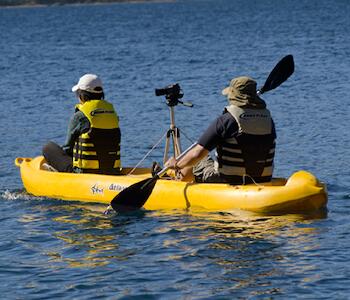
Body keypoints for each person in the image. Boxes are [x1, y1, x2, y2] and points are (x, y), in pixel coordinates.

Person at [165, 76, 276, 184]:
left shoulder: (226, 120)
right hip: (263, 179)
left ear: (234, 95)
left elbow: (197, 154)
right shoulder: (268, 120)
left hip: (228, 179)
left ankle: (176, 183)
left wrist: (177, 164)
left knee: (198, 161)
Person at [42, 74, 121, 175]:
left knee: (48, 147)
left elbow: (68, 149)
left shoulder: (80, 116)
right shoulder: (112, 114)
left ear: (82, 95)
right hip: (112, 170)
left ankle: (60, 174)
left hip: (84, 172)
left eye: (78, 93)